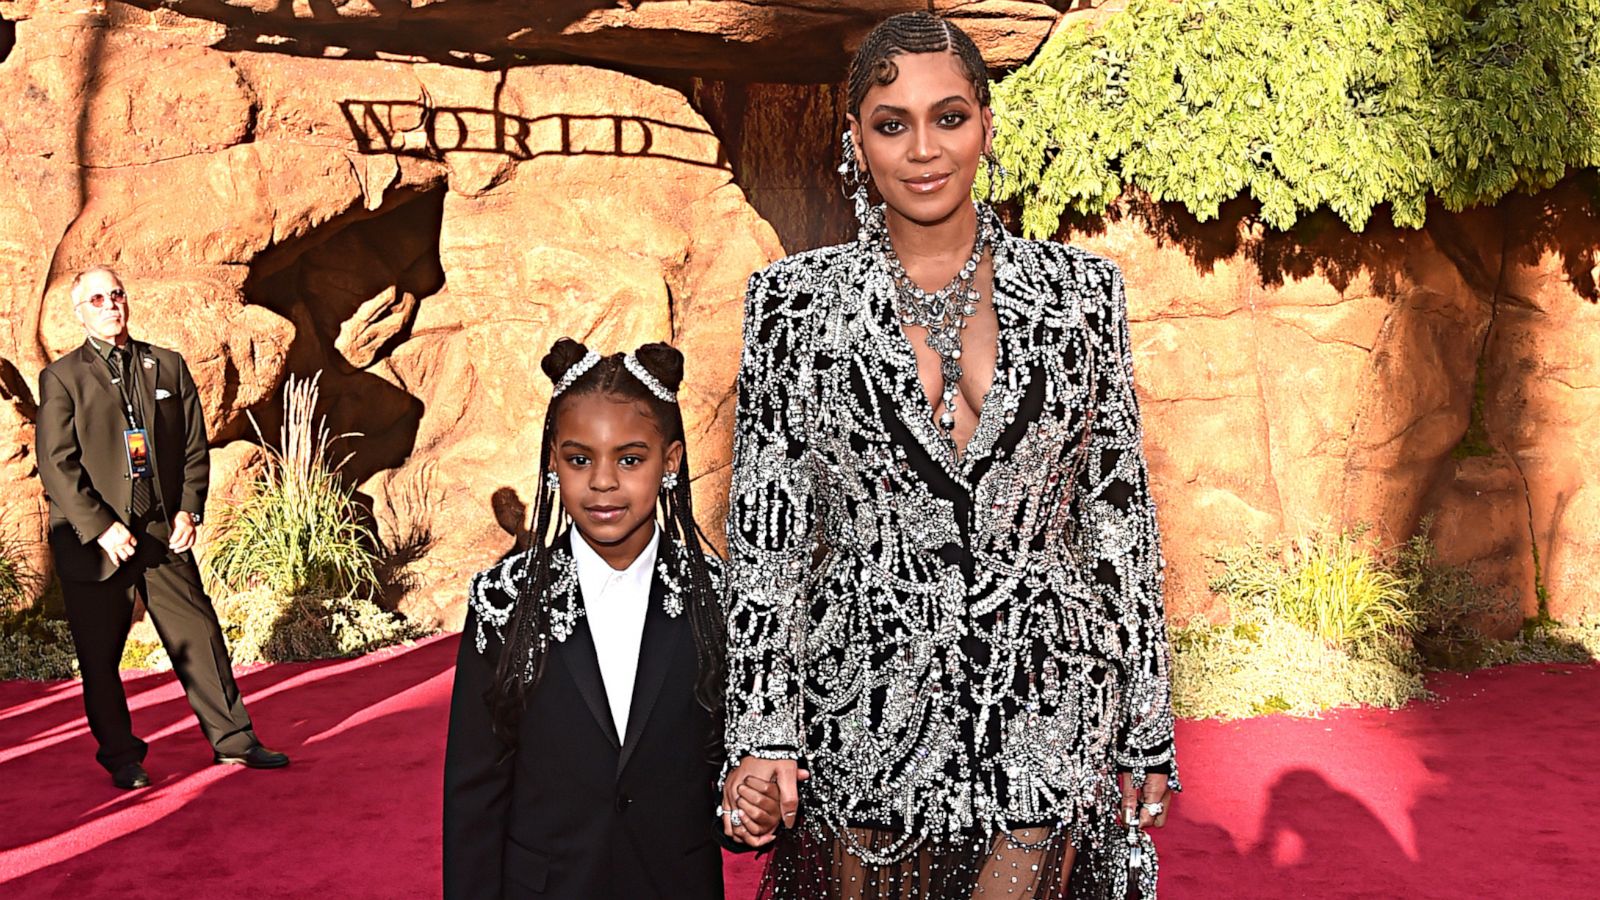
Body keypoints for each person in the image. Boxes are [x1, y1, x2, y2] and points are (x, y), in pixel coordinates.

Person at [719, 12, 1178, 898]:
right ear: (854, 140)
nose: (923, 149)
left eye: (949, 116)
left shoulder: (1081, 294)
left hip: (1049, 699)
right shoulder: (790, 307)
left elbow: (1117, 514)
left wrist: (1146, 723)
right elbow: (769, 538)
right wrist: (764, 731)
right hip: (865, 704)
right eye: (892, 124)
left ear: (986, 125)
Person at [444, 339, 781, 899]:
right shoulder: (504, 601)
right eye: (580, 459)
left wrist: (750, 812)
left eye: (629, 459)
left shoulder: (721, 599)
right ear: (553, 462)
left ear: (669, 463)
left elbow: (732, 767)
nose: (603, 481)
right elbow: (474, 795)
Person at [36, 266, 289, 790]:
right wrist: (102, 527)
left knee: (200, 635)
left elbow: (194, 448)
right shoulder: (62, 378)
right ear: (80, 312)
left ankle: (235, 742)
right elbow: (58, 465)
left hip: (159, 533)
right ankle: (123, 758)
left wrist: (188, 510)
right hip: (97, 543)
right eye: (98, 299)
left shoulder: (167, 366)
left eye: (118, 295)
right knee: (101, 658)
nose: (111, 305)